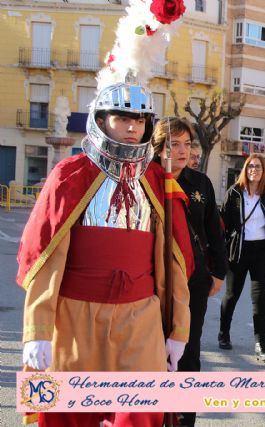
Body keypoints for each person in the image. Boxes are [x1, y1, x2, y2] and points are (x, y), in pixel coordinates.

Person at [18, 83, 194, 427]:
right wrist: (36, 331)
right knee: (69, 413)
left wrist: (178, 330)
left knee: (139, 412)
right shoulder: (69, 174)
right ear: (100, 119)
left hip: (139, 317)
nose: (132, 127)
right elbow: (42, 255)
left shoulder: (158, 179)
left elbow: (175, 260)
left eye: (140, 120)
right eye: (122, 117)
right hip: (74, 317)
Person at [151, 117, 227, 427]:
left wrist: (218, 272)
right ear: (158, 149)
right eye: (174, 145)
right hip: (153, 280)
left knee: (188, 348)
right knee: (153, 347)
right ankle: (154, 412)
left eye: (187, 144)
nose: (183, 151)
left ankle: (185, 417)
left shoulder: (201, 183)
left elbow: (214, 231)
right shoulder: (147, 180)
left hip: (194, 280)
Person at [219, 154, 265, 364]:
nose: (254, 169)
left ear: (264, 171)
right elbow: (222, 223)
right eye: (250, 166)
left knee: (260, 298)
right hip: (238, 250)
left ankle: (261, 344)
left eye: (258, 167)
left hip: (262, 251)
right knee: (232, 294)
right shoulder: (234, 193)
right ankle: (224, 332)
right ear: (245, 169)